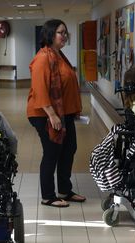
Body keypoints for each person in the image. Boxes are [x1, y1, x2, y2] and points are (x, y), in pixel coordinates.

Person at [27, 19, 85, 208]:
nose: (65, 36)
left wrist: (71, 110)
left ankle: (64, 190)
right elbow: (39, 89)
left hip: (64, 113)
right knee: (52, 152)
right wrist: (52, 114)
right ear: (50, 34)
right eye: (61, 32)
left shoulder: (58, 55)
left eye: (66, 32)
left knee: (69, 149)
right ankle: (48, 195)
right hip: (45, 114)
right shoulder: (43, 57)